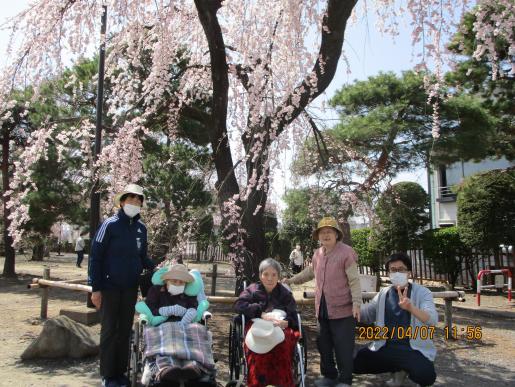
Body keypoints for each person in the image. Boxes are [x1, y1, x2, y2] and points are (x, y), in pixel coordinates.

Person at [88, 183, 156, 387]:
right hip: (108, 288)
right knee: (109, 330)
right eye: (131, 199)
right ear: (122, 201)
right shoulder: (109, 224)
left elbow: (142, 257)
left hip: (130, 288)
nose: (135, 203)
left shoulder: (141, 229)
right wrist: (95, 288)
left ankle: (121, 372)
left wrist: (160, 269)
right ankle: (108, 375)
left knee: (125, 330)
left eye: (138, 200)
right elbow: (95, 257)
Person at [283, 216, 362, 387]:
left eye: (329, 231)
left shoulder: (346, 252)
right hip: (322, 308)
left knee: (343, 347)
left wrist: (357, 303)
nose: (326, 235)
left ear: (336, 234)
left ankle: (345, 380)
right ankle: (329, 376)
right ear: (318, 236)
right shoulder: (318, 254)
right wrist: (291, 280)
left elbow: (354, 281)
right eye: (322, 232)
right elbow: (309, 272)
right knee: (323, 344)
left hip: (343, 309)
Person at [353, 252, 438, 387]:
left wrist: (411, 307)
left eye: (401, 269)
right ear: (388, 273)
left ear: (409, 272)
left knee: (426, 377)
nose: (397, 273)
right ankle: (398, 370)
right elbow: (367, 315)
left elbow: (432, 319)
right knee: (354, 364)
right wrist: (351, 310)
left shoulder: (422, 292)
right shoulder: (383, 293)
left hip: (413, 349)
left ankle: (403, 370)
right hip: (385, 346)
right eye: (393, 270)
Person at [235, 258, 300, 387]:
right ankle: (257, 382)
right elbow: (239, 305)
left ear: (279, 276)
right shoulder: (252, 290)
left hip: (280, 327)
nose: (270, 278)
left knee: (283, 343)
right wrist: (260, 313)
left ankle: (282, 382)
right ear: (260, 275)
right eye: (266, 274)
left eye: (274, 275)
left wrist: (286, 322)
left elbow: (294, 315)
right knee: (257, 346)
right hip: (257, 327)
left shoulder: (285, 293)